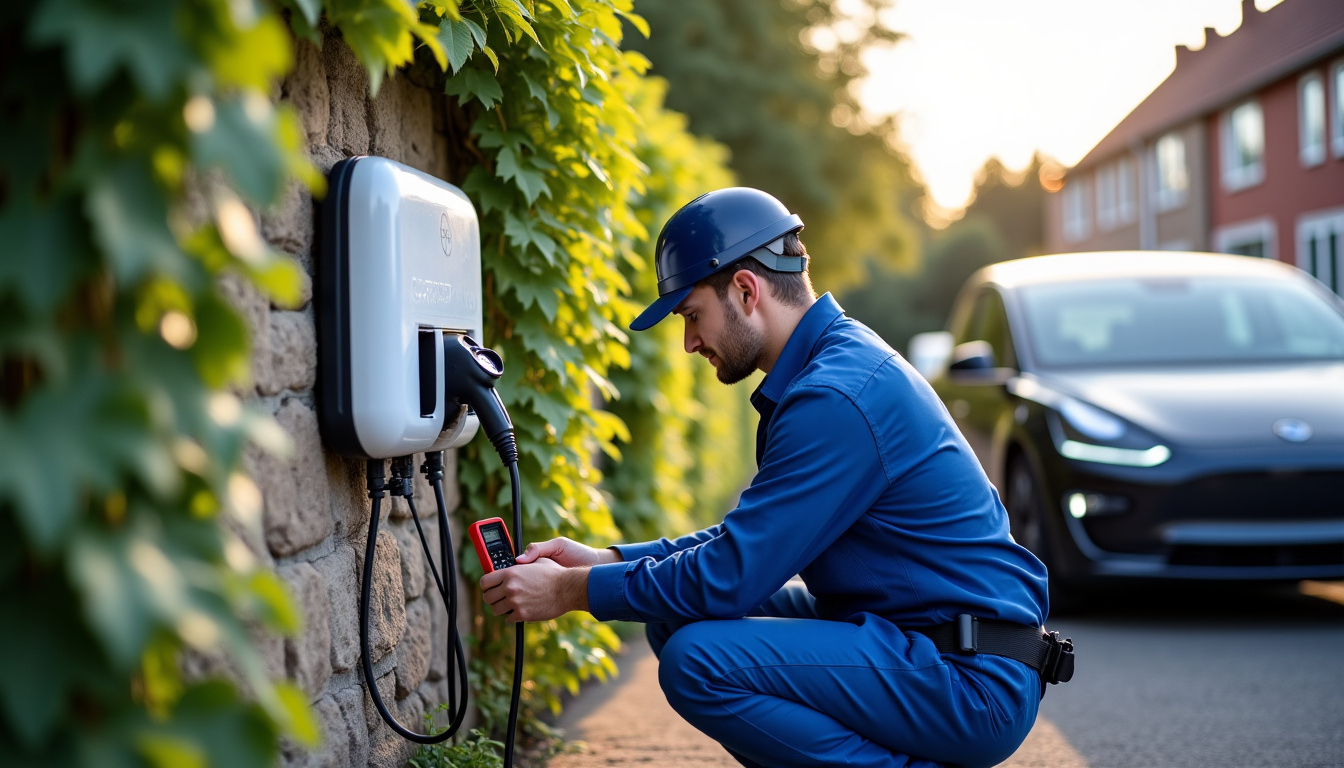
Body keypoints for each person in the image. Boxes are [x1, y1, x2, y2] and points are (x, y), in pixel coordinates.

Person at [480, 187, 1071, 768]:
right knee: (672, 612)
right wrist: (604, 561)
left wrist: (570, 592)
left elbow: (730, 576)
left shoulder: (836, 397)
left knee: (698, 659)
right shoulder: (828, 367)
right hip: (917, 637)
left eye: (692, 315)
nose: (688, 343)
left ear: (745, 289)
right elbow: (744, 546)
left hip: (967, 677)